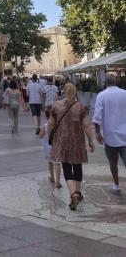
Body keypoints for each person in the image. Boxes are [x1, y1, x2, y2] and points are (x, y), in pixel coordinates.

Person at [49, 82, 94, 210]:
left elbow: (51, 124)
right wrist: (91, 141)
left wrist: (49, 139)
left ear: (63, 91)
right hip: (77, 141)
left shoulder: (56, 106)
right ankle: (78, 193)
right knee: (77, 166)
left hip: (62, 141)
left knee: (67, 168)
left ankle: (72, 194)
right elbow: (86, 125)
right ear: (75, 92)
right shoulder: (81, 106)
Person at [93, 74, 126, 194]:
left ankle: (116, 186)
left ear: (105, 83)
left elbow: (97, 117)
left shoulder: (101, 96)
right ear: (116, 82)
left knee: (113, 163)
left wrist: (97, 133)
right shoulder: (124, 93)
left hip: (110, 136)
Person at [40, 109, 62, 188]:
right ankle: (58, 182)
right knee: (57, 163)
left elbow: (41, 136)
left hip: (47, 147)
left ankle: (52, 177)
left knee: (50, 162)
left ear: (46, 116)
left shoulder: (45, 126)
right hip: (56, 145)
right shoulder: (58, 125)